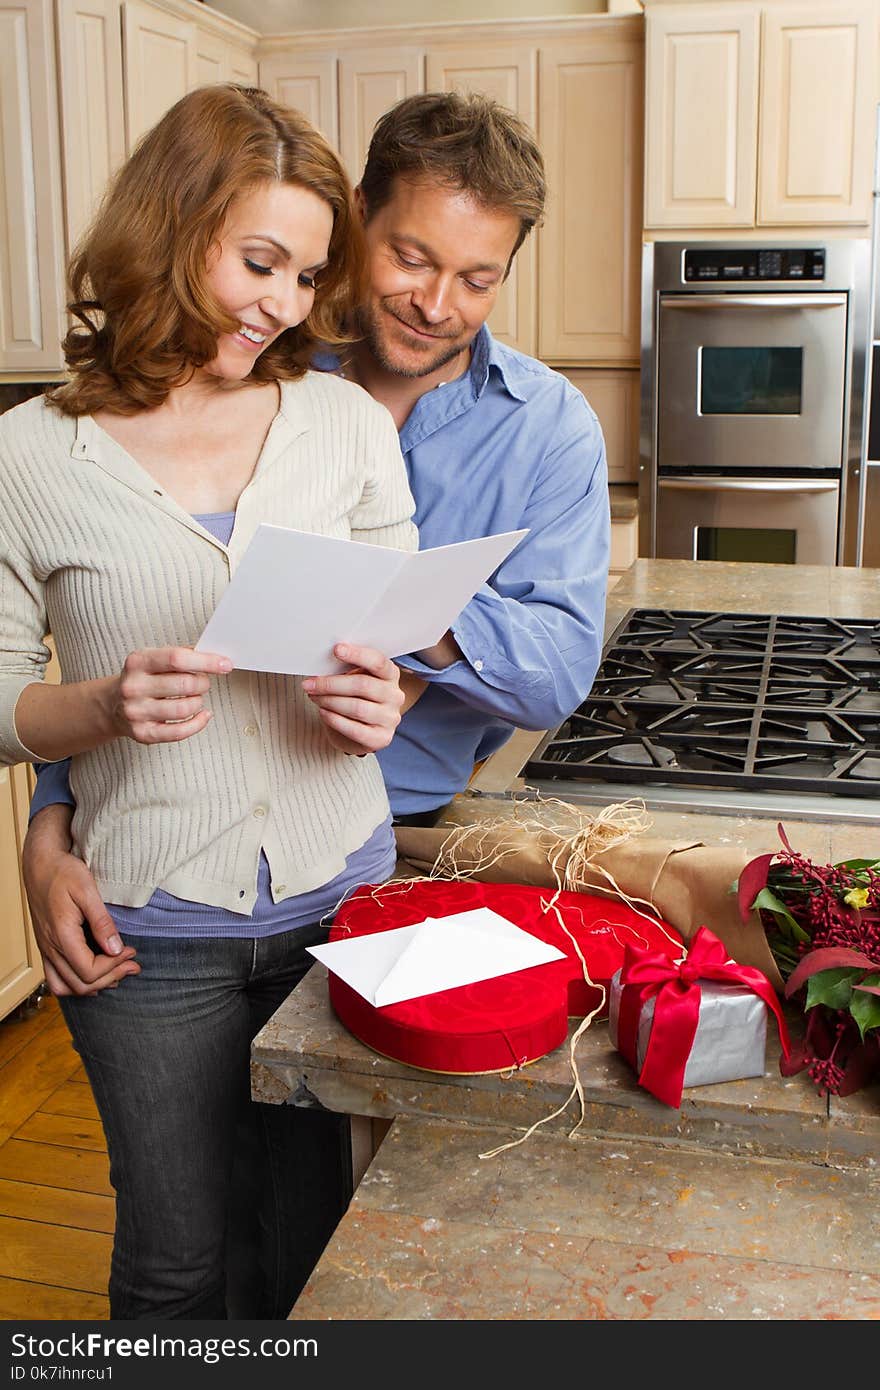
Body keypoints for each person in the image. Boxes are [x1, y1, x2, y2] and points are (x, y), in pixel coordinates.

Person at [20, 88, 610, 1293]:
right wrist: (49, 814)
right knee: (182, 1238)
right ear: (359, 225)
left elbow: (550, 674)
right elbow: (107, 628)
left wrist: (400, 623)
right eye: (407, 256)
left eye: (478, 277)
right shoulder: (212, 375)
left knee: (340, 1227)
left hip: (393, 859)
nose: (436, 302)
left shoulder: (537, 426)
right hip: (166, 867)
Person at [0, 83, 424, 1319]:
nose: (282, 306)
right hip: (145, 930)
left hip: (340, 900)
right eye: (259, 262)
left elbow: (385, 646)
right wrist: (100, 707)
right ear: (172, 223)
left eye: (305, 276)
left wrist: (376, 699)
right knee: (176, 1265)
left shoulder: (342, 421)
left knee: (311, 1251)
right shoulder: (29, 456)